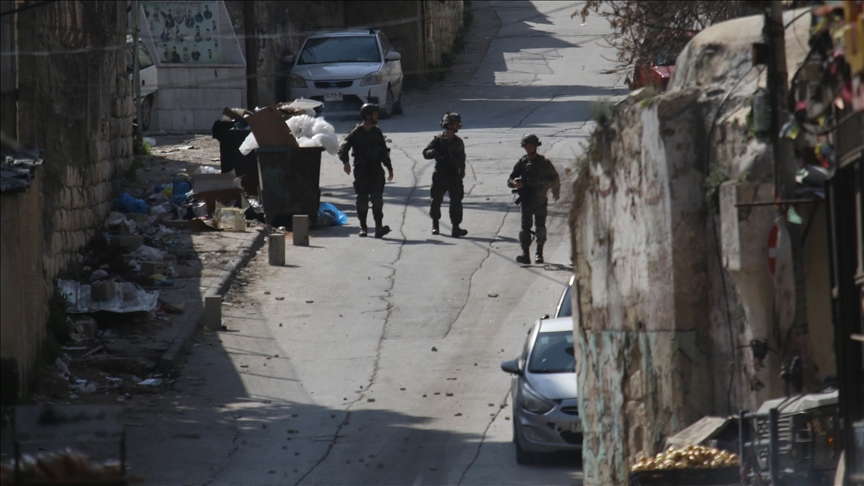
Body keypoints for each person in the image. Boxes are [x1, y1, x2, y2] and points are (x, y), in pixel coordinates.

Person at [338, 103, 394, 238]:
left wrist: (389, 168)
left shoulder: (377, 132)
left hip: (376, 170)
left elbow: (383, 152)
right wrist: (345, 162)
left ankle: (378, 227)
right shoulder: (356, 132)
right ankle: (363, 227)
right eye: (375, 114)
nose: (377, 116)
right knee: (362, 200)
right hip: (361, 171)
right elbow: (343, 148)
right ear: (368, 116)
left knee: (377, 199)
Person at [507, 134, 560, 264]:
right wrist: (514, 183)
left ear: (535, 147)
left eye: (530, 147)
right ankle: (525, 254)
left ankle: (539, 253)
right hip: (526, 200)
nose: (528, 149)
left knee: (540, 226)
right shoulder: (522, 163)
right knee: (525, 228)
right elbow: (510, 179)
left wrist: (555, 192)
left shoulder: (544, 163)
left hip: (540, 199)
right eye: (526, 147)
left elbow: (554, 178)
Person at [423, 112, 468, 237]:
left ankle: (455, 227)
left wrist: (462, 171)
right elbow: (425, 152)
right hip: (441, 175)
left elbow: (462, 158)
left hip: (454, 176)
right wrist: (432, 152)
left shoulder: (458, 142)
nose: (458, 126)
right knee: (436, 200)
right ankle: (435, 224)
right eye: (456, 123)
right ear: (448, 125)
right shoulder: (438, 140)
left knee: (456, 202)